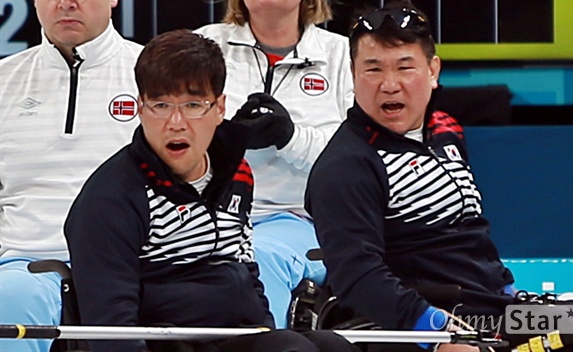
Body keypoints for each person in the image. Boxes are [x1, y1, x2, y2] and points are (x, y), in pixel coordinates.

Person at [304, 0, 573, 352]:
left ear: (432, 71)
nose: (390, 84)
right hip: (425, 324)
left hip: (493, 314)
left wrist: (510, 295)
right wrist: (437, 335)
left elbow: (470, 233)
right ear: (352, 74)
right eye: (373, 69)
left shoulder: (445, 130)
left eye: (404, 67)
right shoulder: (346, 166)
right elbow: (357, 276)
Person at [63, 29, 360, 352]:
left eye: (193, 105)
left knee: (335, 346)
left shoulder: (237, 173)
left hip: (235, 337)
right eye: (160, 105)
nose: (176, 122)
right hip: (170, 344)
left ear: (220, 108)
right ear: (141, 108)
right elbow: (112, 334)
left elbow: (245, 269)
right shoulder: (110, 199)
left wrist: (266, 329)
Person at [195, 0, 354, 328]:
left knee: (255, 257)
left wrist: (292, 137)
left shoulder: (343, 56)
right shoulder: (204, 45)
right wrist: (226, 138)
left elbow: (357, 162)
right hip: (207, 213)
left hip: (301, 219)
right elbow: (171, 132)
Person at [0, 0, 142, 351]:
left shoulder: (153, 73)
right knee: (10, 297)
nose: (66, 0)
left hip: (132, 260)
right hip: (23, 262)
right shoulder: (3, 81)